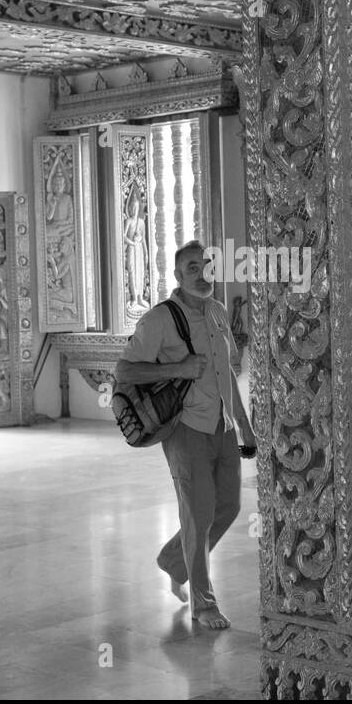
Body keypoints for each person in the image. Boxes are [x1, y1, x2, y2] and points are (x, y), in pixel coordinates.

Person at [116, 240, 256, 630]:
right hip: (184, 429)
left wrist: (244, 426)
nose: (202, 273)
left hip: (222, 425)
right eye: (192, 267)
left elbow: (226, 373)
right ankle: (203, 603)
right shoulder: (159, 319)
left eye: (207, 266)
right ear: (178, 276)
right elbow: (125, 372)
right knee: (198, 514)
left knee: (228, 506)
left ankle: (175, 562)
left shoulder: (217, 312)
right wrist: (177, 369)